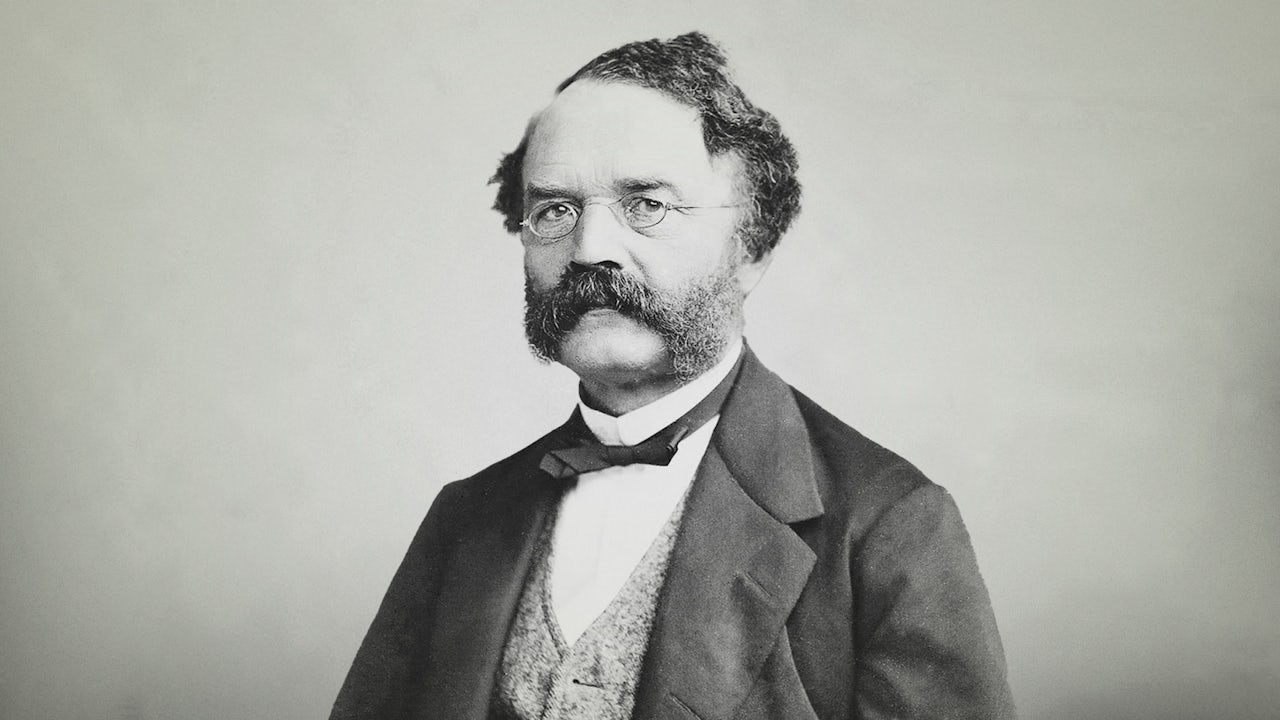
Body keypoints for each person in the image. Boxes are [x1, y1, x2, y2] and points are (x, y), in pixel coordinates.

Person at [330, 32, 1015, 720]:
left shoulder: (889, 526)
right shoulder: (466, 518)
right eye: (555, 211)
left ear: (753, 248)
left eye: (646, 205)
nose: (589, 248)